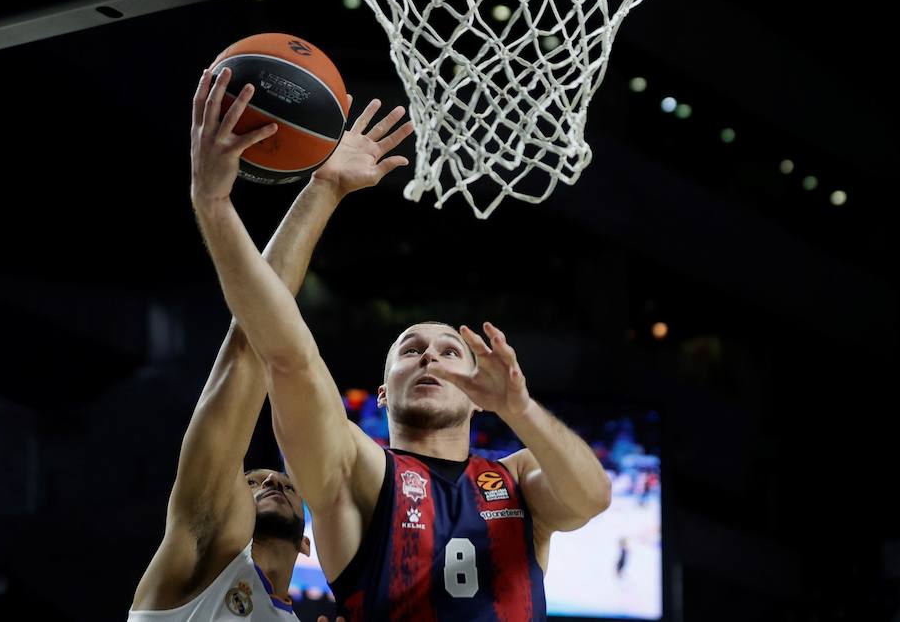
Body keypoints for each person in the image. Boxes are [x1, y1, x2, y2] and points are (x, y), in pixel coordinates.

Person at [190, 67, 612, 620]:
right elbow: (284, 351)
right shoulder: (355, 470)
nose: (430, 355)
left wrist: (520, 408)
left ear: (475, 396)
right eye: (410, 350)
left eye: (450, 352)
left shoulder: (517, 480)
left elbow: (592, 498)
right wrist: (225, 203)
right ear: (384, 393)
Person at [131, 73, 413, 621]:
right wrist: (324, 188)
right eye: (253, 482)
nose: (271, 481)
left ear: (308, 544)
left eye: (275, 480)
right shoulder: (202, 552)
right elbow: (250, 343)